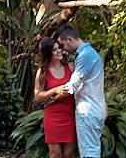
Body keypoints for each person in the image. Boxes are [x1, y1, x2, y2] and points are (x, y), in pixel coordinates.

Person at [48, 24, 108, 158]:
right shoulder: (89, 53)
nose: (62, 51)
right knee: (92, 151)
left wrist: (52, 98)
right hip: (93, 109)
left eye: (62, 46)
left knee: (89, 153)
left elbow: (71, 87)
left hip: (88, 111)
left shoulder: (85, 55)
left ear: (70, 39)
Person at [32, 37, 76, 158]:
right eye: (54, 50)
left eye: (59, 48)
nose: (59, 51)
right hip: (53, 117)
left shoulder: (70, 67)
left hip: (70, 115)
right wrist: (55, 90)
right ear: (48, 54)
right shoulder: (42, 72)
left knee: (68, 154)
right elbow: (37, 96)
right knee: (55, 154)